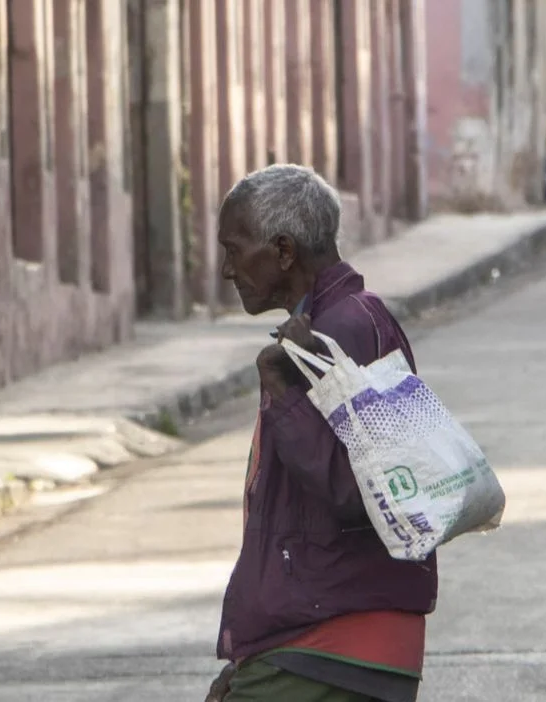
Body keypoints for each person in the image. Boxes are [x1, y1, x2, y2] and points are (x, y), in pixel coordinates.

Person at [205, 164, 436, 702]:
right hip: (323, 638)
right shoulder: (345, 321)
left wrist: (284, 394)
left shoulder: (341, 331)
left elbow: (364, 491)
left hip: (331, 641)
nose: (226, 270)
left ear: (284, 251)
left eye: (235, 250)